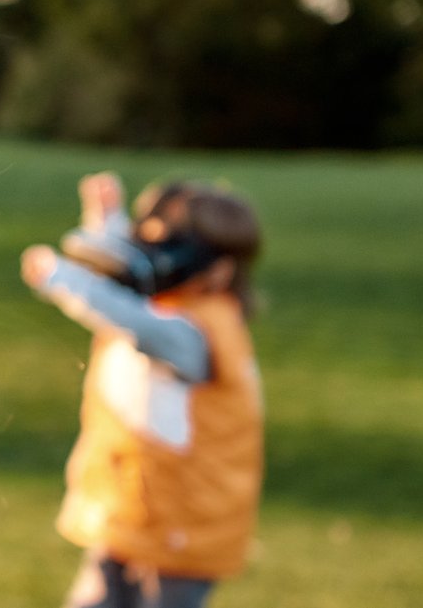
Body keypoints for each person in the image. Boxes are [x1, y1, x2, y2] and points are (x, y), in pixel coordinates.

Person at [20, 173, 264, 608]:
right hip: (130, 507)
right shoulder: (168, 305)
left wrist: (62, 278)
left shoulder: (197, 332)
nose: (150, 254)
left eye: (168, 245)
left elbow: (127, 314)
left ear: (219, 269)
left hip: (184, 529)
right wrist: (107, 221)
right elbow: (125, 273)